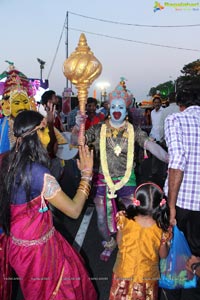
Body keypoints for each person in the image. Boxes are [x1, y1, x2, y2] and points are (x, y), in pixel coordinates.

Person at [0, 110, 97, 300]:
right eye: (45, 129)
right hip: (38, 253)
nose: (49, 134)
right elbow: (74, 210)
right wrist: (87, 174)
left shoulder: (5, 160)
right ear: (34, 135)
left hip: (17, 247)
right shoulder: (37, 172)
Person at [77, 79, 169, 261]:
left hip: (128, 179)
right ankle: (110, 242)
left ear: (126, 111)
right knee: (102, 218)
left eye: (120, 107)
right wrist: (77, 125)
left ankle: (129, 242)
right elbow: (77, 142)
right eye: (113, 107)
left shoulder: (134, 130)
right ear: (109, 109)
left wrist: (168, 159)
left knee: (133, 215)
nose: (116, 110)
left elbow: (151, 146)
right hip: (103, 179)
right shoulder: (98, 129)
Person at [161, 87, 200, 299]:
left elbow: (177, 162)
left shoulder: (176, 119)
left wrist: (172, 206)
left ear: (180, 104)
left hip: (183, 202)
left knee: (176, 257)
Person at [109, 182, 171, 300]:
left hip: (123, 272)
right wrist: (166, 243)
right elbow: (163, 255)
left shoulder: (124, 219)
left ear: (136, 201)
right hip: (147, 277)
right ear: (160, 205)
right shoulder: (161, 229)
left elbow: (119, 242)